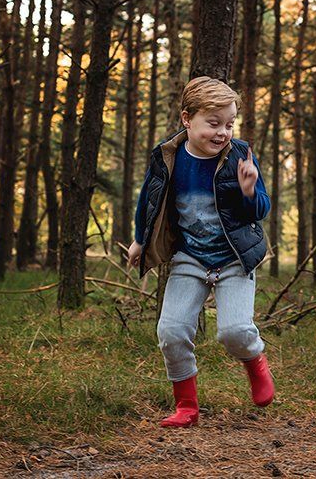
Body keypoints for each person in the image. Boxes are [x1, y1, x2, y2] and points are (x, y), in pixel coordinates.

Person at [127, 76, 273, 428]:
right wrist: (140, 240)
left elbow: (260, 210)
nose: (223, 132)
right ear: (187, 119)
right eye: (214, 123)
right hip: (189, 258)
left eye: (229, 124)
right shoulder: (168, 157)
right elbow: (149, 200)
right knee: (171, 331)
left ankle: (256, 362)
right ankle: (186, 407)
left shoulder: (239, 155)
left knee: (234, 332)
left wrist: (249, 190)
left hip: (234, 259)